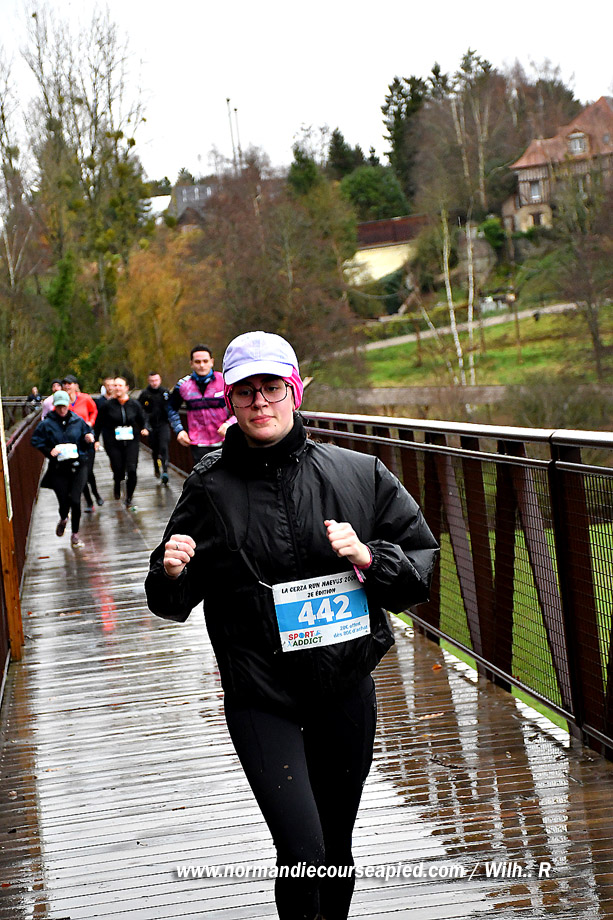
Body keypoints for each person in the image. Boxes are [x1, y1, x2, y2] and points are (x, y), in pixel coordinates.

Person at [145, 331, 438, 920]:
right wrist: (170, 570)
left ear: (295, 391)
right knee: (303, 851)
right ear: (229, 401)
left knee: (336, 847)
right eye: (245, 391)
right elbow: (170, 602)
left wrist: (369, 558)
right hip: (261, 696)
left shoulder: (358, 473)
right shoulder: (210, 488)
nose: (261, 402)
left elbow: (419, 570)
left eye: (272, 387)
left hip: (344, 690)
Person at [31, 389, 95, 547]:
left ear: (68, 405)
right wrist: (49, 451)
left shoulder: (77, 420)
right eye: (58, 406)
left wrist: (89, 439)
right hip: (58, 468)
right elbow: (35, 440)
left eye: (64, 406)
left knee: (75, 500)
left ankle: (75, 534)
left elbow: (88, 435)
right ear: (54, 406)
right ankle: (63, 518)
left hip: (78, 465)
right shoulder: (46, 424)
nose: (61, 410)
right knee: (64, 501)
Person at [167, 344, 233, 464]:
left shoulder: (225, 381)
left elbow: (242, 406)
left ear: (212, 362)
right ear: (191, 363)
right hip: (198, 442)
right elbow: (171, 408)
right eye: (197, 362)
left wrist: (230, 423)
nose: (202, 365)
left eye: (205, 361)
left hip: (224, 439)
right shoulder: (183, 385)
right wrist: (179, 430)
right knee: (204, 475)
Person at [94, 376, 147, 511]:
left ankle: (129, 497)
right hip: (113, 442)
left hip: (131, 441)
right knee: (118, 469)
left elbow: (142, 419)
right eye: (115, 385)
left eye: (120, 385)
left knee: (132, 469)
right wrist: (96, 440)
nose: (117, 388)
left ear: (126, 388)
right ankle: (117, 482)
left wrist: (145, 428)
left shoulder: (134, 404)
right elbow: (98, 423)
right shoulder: (107, 406)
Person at [62, 375, 104, 511]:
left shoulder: (85, 398)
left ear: (76, 385)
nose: (67, 386)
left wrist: (91, 422)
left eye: (70, 384)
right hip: (72, 443)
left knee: (88, 471)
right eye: (65, 384)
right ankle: (89, 502)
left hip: (87, 439)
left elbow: (94, 411)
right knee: (79, 473)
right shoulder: (62, 402)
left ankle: (96, 494)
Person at [138, 371, 171, 485]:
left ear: (160, 380)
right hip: (151, 425)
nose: (154, 383)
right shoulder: (145, 394)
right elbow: (140, 410)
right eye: (152, 381)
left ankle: (165, 471)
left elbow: (172, 406)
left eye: (156, 380)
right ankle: (156, 467)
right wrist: (144, 425)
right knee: (155, 449)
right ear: (149, 381)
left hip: (163, 423)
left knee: (164, 446)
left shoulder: (165, 392)